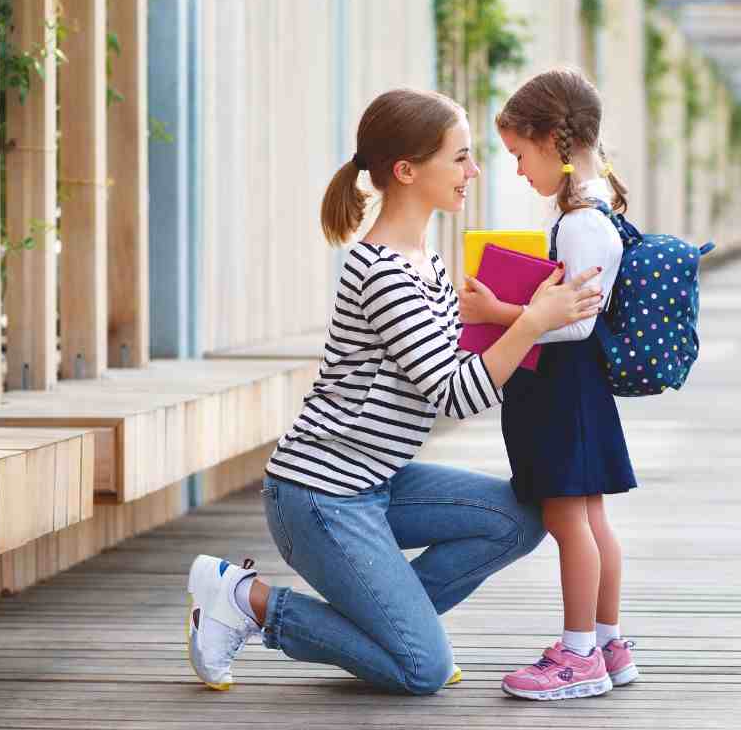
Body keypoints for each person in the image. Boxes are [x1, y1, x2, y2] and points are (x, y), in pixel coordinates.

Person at [185, 88, 604, 695]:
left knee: (519, 518)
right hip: (319, 496)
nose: (474, 171)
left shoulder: (426, 262)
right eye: (460, 158)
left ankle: (389, 630)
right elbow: (456, 394)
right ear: (407, 171)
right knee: (421, 671)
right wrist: (534, 320)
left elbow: (461, 367)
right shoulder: (382, 272)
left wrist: (517, 314)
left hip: (376, 482)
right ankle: (247, 601)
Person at [458, 68, 638, 700]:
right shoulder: (593, 212)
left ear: (553, 141)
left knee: (571, 526)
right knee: (590, 521)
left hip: (561, 393)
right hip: (575, 394)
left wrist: (496, 314)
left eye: (519, 154)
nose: (516, 170)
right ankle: (607, 643)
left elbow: (573, 326)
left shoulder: (581, 222)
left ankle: (580, 653)